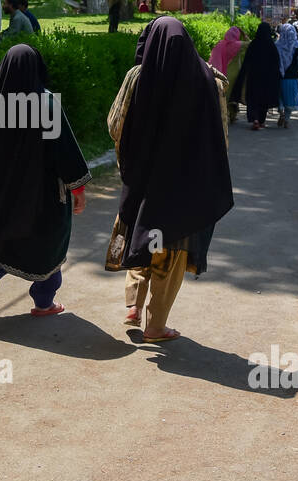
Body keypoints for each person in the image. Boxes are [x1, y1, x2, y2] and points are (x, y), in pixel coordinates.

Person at [0, 45, 90, 328]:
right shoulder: (45, 103)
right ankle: (44, 302)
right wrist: (78, 188)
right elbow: (64, 150)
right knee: (49, 246)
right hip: (41, 195)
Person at [106, 17, 233, 342]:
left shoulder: (136, 77)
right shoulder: (210, 82)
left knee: (141, 237)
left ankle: (133, 306)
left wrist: (129, 159)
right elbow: (222, 137)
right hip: (184, 190)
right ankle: (156, 326)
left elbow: (115, 122)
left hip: (143, 182)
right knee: (169, 251)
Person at [230, 21, 281, 130]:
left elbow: (246, 61)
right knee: (264, 99)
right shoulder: (271, 45)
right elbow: (276, 63)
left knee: (253, 98)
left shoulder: (254, 44)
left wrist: (243, 75)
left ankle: (255, 120)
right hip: (267, 79)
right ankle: (261, 121)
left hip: (253, 77)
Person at [208, 25, 248, 123]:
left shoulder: (220, 44)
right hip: (235, 74)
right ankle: (233, 116)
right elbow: (251, 43)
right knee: (234, 96)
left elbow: (213, 58)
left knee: (225, 96)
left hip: (223, 73)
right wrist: (244, 35)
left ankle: (223, 117)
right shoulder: (239, 44)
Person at [275, 22, 298, 127]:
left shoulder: (277, 45)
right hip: (292, 77)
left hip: (279, 76)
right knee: (290, 98)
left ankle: (281, 113)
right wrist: (296, 67)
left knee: (280, 96)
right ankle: (286, 119)